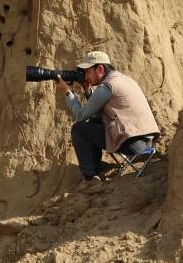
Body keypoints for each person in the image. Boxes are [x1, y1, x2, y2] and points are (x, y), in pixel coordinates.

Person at [55, 51, 160, 191]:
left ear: (100, 69)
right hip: (146, 142)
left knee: (79, 129)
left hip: (132, 145)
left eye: (87, 71)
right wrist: (87, 90)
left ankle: (89, 178)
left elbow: (81, 116)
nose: (85, 76)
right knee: (94, 124)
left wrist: (68, 92)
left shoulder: (107, 87)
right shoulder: (123, 79)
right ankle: (97, 169)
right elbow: (97, 115)